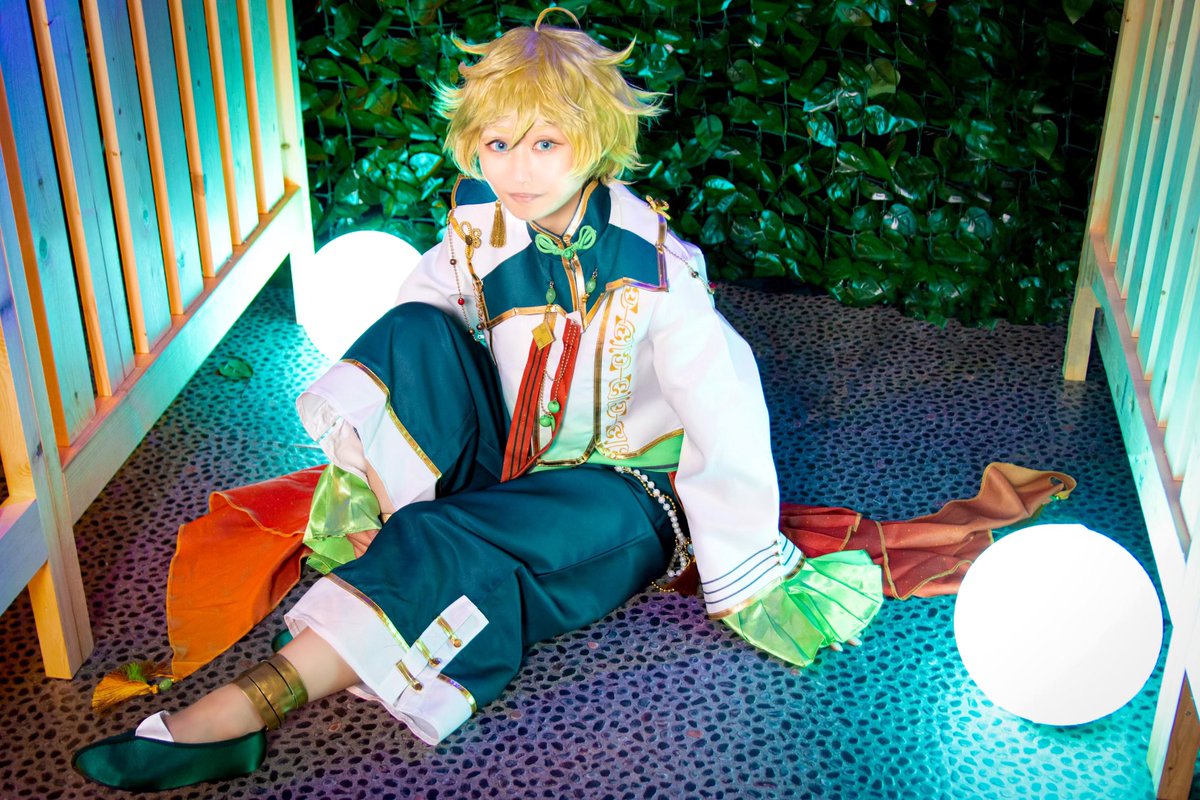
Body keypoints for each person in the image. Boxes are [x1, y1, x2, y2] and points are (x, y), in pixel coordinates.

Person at [71, 9, 883, 792]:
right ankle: (416, 536)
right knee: (412, 326)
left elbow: (728, 417)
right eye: (498, 144)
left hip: (627, 491)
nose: (517, 171)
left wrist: (748, 574)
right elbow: (420, 340)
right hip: (514, 458)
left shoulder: (658, 269)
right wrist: (371, 473)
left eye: (545, 144)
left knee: (452, 538)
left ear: (597, 142)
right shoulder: (480, 229)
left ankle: (242, 710)